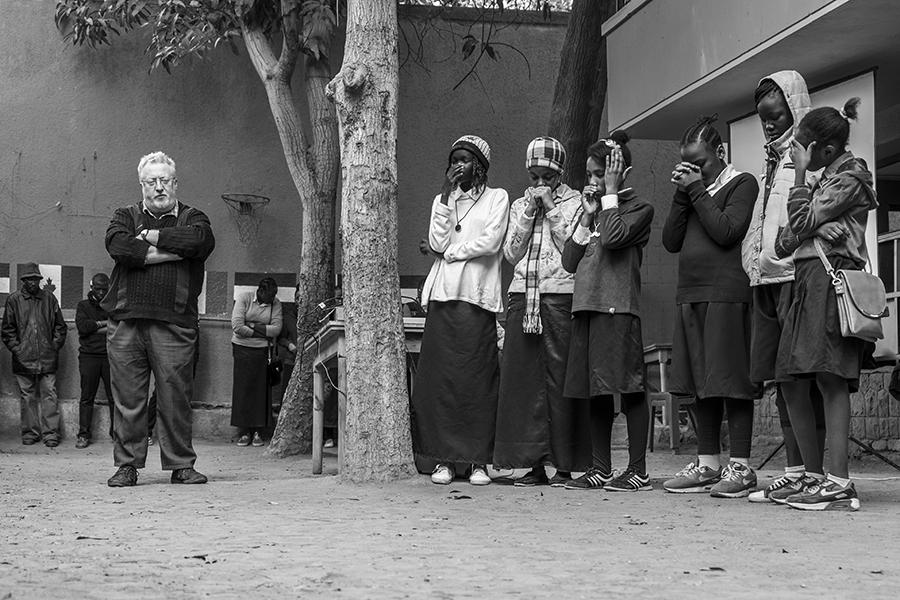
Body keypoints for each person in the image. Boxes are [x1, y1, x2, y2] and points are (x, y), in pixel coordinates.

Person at [774, 99, 876, 511]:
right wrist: (813, 224)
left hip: (829, 278)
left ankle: (838, 481)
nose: (797, 154)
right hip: (806, 278)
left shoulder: (850, 177)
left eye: (803, 148)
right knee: (790, 377)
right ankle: (813, 476)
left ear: (826, 150)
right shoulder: (826, 181)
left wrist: (806, 213)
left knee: (829, 377)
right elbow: (784, 241)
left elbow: (796, 225)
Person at [739, 71, 829, 503]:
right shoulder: (771, 159)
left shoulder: (810, 161)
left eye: (776, 116)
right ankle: (794, 471)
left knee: (800, 380)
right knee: (781, 380)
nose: (770, 125)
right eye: (763, 119)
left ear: (795, 109)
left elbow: (804, 222)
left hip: (797, 278)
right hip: (766, 281)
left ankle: (814, 473)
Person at [661, 117, 761, 497]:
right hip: (690, 294)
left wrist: (698, 190)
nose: (694, 171)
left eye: (700, 163)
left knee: (731, 382)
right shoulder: (691, 192)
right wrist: (681, 194)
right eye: (688, 165)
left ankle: (741, 467)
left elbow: (726, 231)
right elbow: (671, 240)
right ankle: (707, 465)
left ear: (721, 153)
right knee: (701, 383)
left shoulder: (743, 183)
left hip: (727, 293)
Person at [103, 151, 216, 487]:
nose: (158, 187)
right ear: (142, 186)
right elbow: (119, 247)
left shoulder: (194, 218)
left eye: (164, 180)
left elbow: (199, 241)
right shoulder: (124, 216)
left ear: (175, 182)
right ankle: (127, 466)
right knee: (128, 401)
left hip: (175, 322)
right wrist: (174, 251)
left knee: (175, 398)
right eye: (151, 182)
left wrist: (150, 237)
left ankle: (181, 465)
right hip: (126, 322)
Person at [411, 135, 509, 486]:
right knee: (441, 382)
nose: (458, 165)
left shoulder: (497, 197)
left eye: (465, 159)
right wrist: (443, 193)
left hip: (477, 299)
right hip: (443, 299)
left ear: (480, 164)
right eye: (454, 159)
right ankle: (444, 461)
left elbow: (491, 242)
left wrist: (449, 254)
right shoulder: (446, 200)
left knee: (477, 381)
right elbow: (437, 241)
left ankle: (478, 461)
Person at [493, 137, 591, 487]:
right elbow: (510, 254)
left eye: (547, 177)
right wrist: (530, 211)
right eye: (534, 176)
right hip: (523, 299)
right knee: (525, 386)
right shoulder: (520, 203)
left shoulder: (578, 202)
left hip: (560, 299)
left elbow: (572, 250)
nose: (539, 184)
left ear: (560, 174)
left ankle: (564, 466)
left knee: (560, 385)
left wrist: (550, 207)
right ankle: (532, 465)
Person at [561, 131, 655, 492]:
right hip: (586, 307)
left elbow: (615, 238)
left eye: (601, 173)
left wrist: (610, 195)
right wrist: (586, 219)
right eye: (590, 174)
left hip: (619, 310)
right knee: (596, 391)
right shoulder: (594, 211)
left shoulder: (638, 209)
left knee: (630, 389)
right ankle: (600, 468)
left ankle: (638, 471)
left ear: (621, 173)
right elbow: (570, 261)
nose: (594, 181)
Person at [1, 263, 67, 448]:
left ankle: (51, 433)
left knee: (49, 395)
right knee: (27, 396)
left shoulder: (49, 298)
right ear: (23, 280)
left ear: (39, 280)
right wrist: (18, 349)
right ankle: (30, 432)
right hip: (24, 358)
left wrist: (53, 347)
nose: (33, 282)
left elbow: (60, 327)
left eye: (36, 279)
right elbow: (7, 330)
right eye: (29, 279)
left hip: (47, 357)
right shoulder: (14, 300)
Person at [231, 277, 283, 447]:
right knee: (243, 389)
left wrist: (252, 326)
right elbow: (237, 326)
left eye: (273, 296)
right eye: (269, 296)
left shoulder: (276, 303)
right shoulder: (244, 298)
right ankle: (244, 431)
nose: (271, 299)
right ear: (260, 292)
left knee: (261, 391)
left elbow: (276, 329)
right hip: (242, 349)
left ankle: (257, 431)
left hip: (262, 351)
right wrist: (262, 333)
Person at [74, 272, 114, 449]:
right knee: (86, 398)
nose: (101, 292)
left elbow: (117, 328)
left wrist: (94, 326)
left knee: (114, 397)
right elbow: (83, 328)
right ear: (91, 288)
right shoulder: (82, 305)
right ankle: (84, 435)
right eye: (97, 289)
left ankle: (117, 434)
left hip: (110, 356)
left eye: (104, 289)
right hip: (88, 357)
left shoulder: (113, 305)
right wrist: (103, 323)